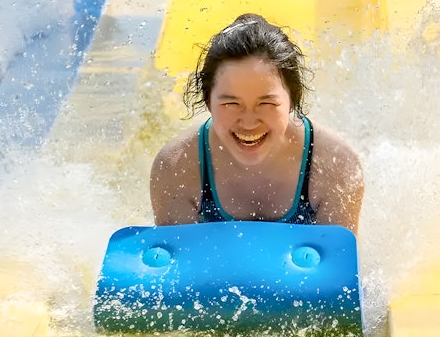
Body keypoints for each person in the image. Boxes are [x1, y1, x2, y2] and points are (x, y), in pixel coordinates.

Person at [149, 13, 365, 234]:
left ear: (292, 100)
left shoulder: (335, 167)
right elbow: (180, 256)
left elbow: (338, 256)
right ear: (208, 101)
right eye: (231, 103)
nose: (249, 122)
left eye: (266, 103)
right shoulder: (177, 168)